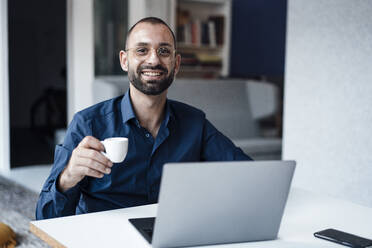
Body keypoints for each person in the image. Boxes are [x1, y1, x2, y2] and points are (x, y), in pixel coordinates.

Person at [36, 17, 252, 220]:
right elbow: (45, 218)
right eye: (142, 50)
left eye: (164, 51)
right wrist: (69, 176)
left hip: (171, 235)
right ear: (124, 60)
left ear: (176, 64)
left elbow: (248, 175)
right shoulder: (88, 123)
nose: (154, 59)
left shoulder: (194, 123)